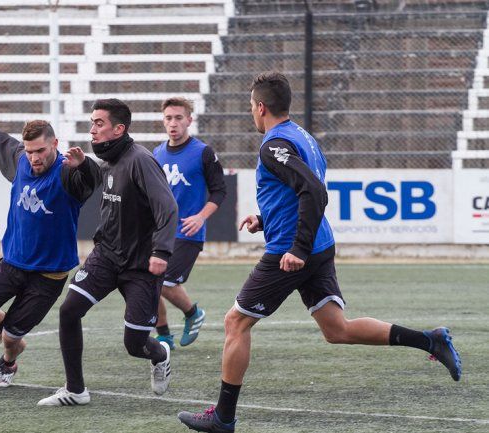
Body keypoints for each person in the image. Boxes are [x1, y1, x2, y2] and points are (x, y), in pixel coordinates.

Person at [178, 72, 462, 432]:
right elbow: (301, 191)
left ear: (261, 107)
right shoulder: (302, 136)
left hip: (292, 251)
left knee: (236, 322)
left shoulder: (272, 144)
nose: (252, 112)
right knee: (336, 328)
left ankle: (223, 418)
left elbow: (313, 190)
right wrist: (265, 219)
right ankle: (430, 340)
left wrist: (296, 247)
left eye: (251, 106)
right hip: (318, 244)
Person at [38, 99, 179, 406]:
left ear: (119, 129)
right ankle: (75, 390)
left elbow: (167, 206)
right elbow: (97, 177)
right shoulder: (108, 160)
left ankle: (160, 353)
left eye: (99, 123)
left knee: (135, 344)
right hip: (106, 256)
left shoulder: (140, 160)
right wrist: (82, 166)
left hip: (140, 266)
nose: (93, 130)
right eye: (92, 123)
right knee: (69, 311)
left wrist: (162, 252)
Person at [0, 109, 100, 388]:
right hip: (12, 264)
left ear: (55, 145)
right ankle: (1, 323)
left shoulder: (68, 174)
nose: (35, 157)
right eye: (31, 151)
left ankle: (8, 363)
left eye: (41, 150)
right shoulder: (20, 160)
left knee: (12, 338)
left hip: (48, 276)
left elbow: (89, 183)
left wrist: (83, 165)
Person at [152, 97, 226, 349]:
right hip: (160, 231)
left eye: (178, 118)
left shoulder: (202, 152)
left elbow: (219, 191)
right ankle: (163, 335)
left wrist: (201, 216)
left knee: (165, 282)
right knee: (147, 282)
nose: (173, 123)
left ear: (189, 120)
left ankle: (193, 313)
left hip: (187, 232)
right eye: (168, 118)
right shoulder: (157, 153)